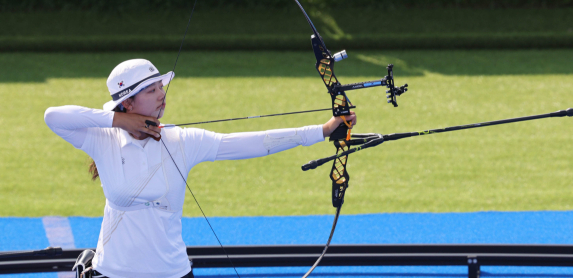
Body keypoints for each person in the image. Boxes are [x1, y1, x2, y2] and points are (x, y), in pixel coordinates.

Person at [44, 59, 356, 278]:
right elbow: (53, 116)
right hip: (113, 271)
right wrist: (118, 120)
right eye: (151, 90)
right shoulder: (102, 139)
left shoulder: (182, 140)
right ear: (127, 102)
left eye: (160, 87)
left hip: (172, 272)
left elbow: (255, 142)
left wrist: (324, 130)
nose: (162, 94)